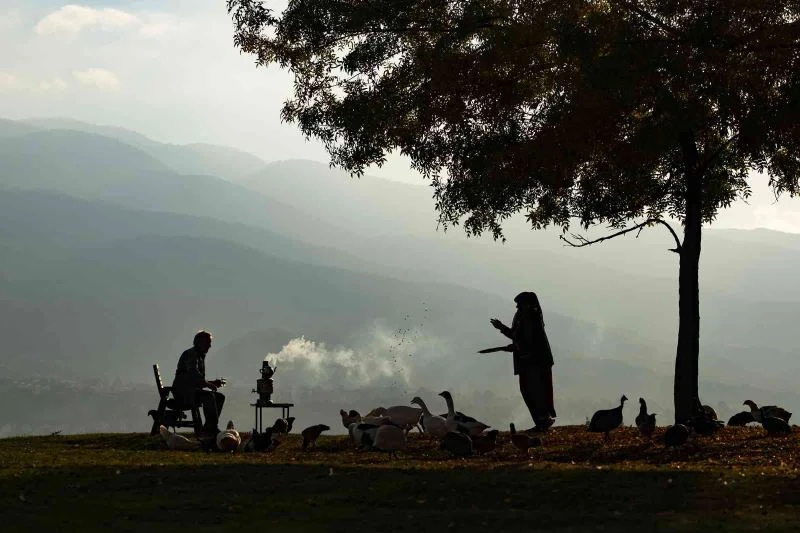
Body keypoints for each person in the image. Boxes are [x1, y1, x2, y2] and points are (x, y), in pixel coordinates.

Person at [489, 291, 556, 433]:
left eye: (520, 304)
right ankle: (541, 421)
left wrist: (516, 347)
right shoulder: (522, 316)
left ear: (527, 304)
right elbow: (516, 335)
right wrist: (501, 328)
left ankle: (543, 421)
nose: (517, 307)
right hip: (526, 361)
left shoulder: (533, 317)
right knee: (528, 390)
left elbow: (532, 342)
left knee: (535, 391)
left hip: (535, 361)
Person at [171, 330, 225, 436]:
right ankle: (211, 429)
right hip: (183, 393)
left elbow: (195, 380)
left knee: (220, 397)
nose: (209, 346)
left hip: (190, 391)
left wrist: (211, 382)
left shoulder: (198, 355)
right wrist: (208, 384)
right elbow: (193, 374)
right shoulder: (191, 354)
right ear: (199, 343)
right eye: (207, 343)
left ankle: (209, 426)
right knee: (209, 396)